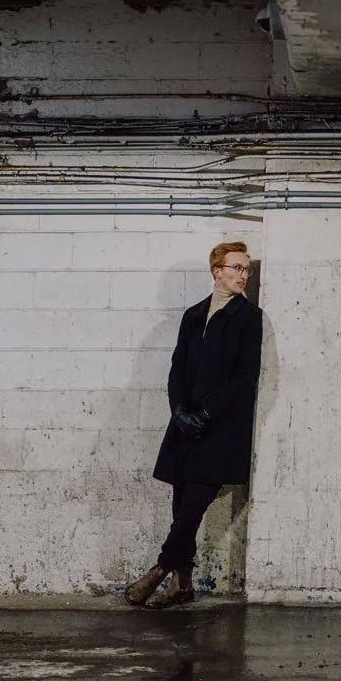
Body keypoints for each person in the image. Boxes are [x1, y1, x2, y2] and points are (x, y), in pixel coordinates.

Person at [125, 241, 263, 608]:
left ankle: (159, 570)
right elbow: (178, 369)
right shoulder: (192, 315)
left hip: (220, 430)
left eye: (246, 269)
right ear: (217, 271)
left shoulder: (249, 317)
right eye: (236, 268)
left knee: (191, 509)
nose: (243, 275)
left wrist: (207, 412)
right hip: (186, 426)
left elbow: (244, 375)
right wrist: (179, 412)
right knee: (181, 504)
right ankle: (182, 586)